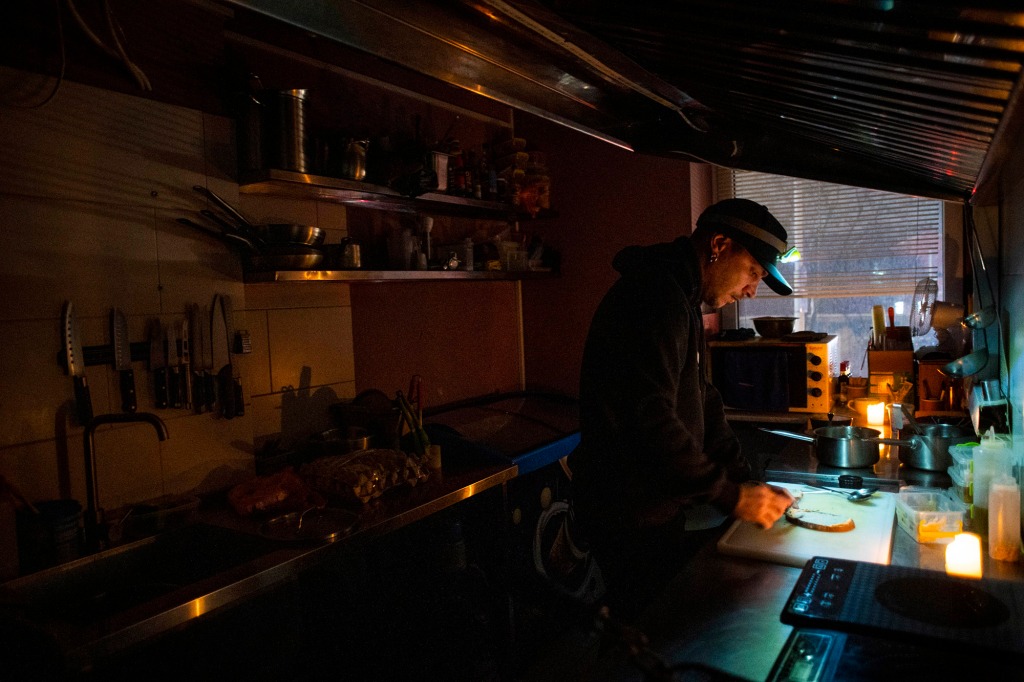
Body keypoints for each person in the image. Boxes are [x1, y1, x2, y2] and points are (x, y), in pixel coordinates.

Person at [568, 198, 797, 623]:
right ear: (719, 244)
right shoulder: (654, 296)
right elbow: (649, 418)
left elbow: (703, 398)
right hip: (626, 507)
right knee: (642, 630)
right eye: (753, 273)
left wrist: (745, 480)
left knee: (656, 620)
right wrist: (731, 495)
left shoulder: (683, 297)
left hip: (654, 504)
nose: (752, 290)